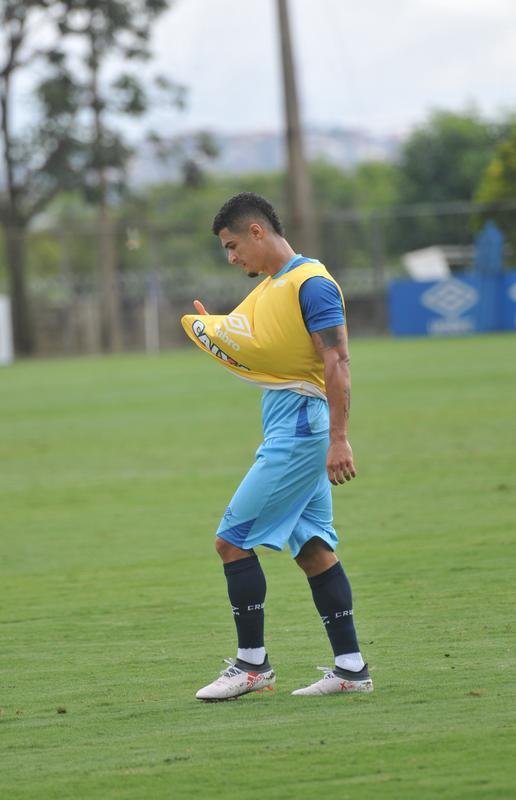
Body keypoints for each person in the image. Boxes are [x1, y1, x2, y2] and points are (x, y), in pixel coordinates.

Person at [181, 192, 372, 701]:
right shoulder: (276, 285)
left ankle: (252, 665)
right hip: (289, 425)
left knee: (231, 540)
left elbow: (338, 361)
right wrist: (218, 333)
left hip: (304, 431)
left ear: (257, 232)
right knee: (312, 549)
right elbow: (268, 347)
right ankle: (351, 669)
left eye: (231, 245)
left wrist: (338, 438)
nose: (231, 257)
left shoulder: (311, 284)